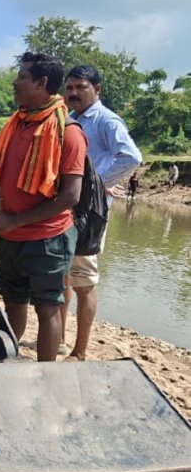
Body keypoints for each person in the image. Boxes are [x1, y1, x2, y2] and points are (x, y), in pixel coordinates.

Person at [0, 52, 86, 361]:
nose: (15, 82)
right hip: (12, 236)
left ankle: (45, 375)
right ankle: (8, 362)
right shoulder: (16, 125)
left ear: (42, 83)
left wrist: (15, 220)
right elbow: (8, 176)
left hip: (47, 238)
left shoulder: (69, 132)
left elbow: (70, 197)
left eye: (22, 77)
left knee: (47, 307)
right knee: (13, 302)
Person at [60, 65, 142, 360]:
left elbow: (131, 156)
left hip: (90, 215)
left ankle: (80, 351)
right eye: (69, 87)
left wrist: (96, 185)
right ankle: (59, 338)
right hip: (67, 208)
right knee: (63, 277)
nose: (73, 93)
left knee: (83, 281)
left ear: (97, 89)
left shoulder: (106, 120)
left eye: (80, 87)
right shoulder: (70, 120)